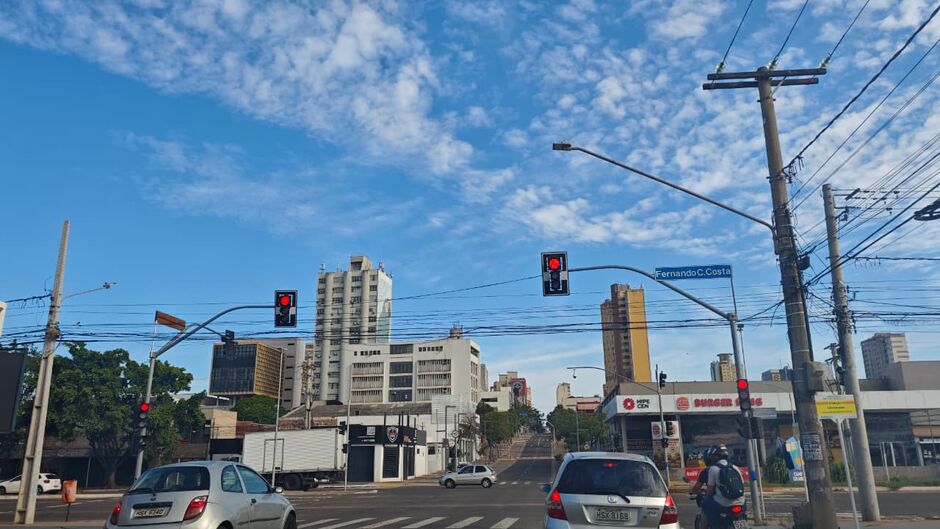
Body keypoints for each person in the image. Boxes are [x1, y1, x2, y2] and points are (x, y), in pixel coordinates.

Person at [702, 444, 746, 528]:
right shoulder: (735, 468)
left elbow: (710, 490)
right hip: (741, 502)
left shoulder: (713, 469)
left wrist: (706, 497)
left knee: (705, 504)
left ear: (714, 457)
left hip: (724, 504)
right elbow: (742, 485)